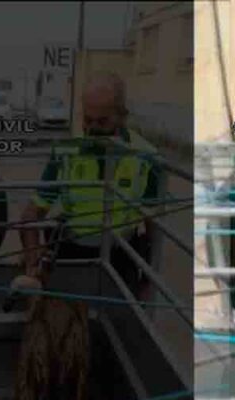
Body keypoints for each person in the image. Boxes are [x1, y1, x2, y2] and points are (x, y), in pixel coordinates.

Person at [17, 72, 163, 294]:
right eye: (87, 120)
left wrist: (148, 276)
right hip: (70, 253)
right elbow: (31, 215)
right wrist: (32, 260)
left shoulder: (147, 158)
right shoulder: (66, 153)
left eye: (102, 121)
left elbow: (153, 228)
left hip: (121, 257)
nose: (92, 129)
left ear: (122, 116)